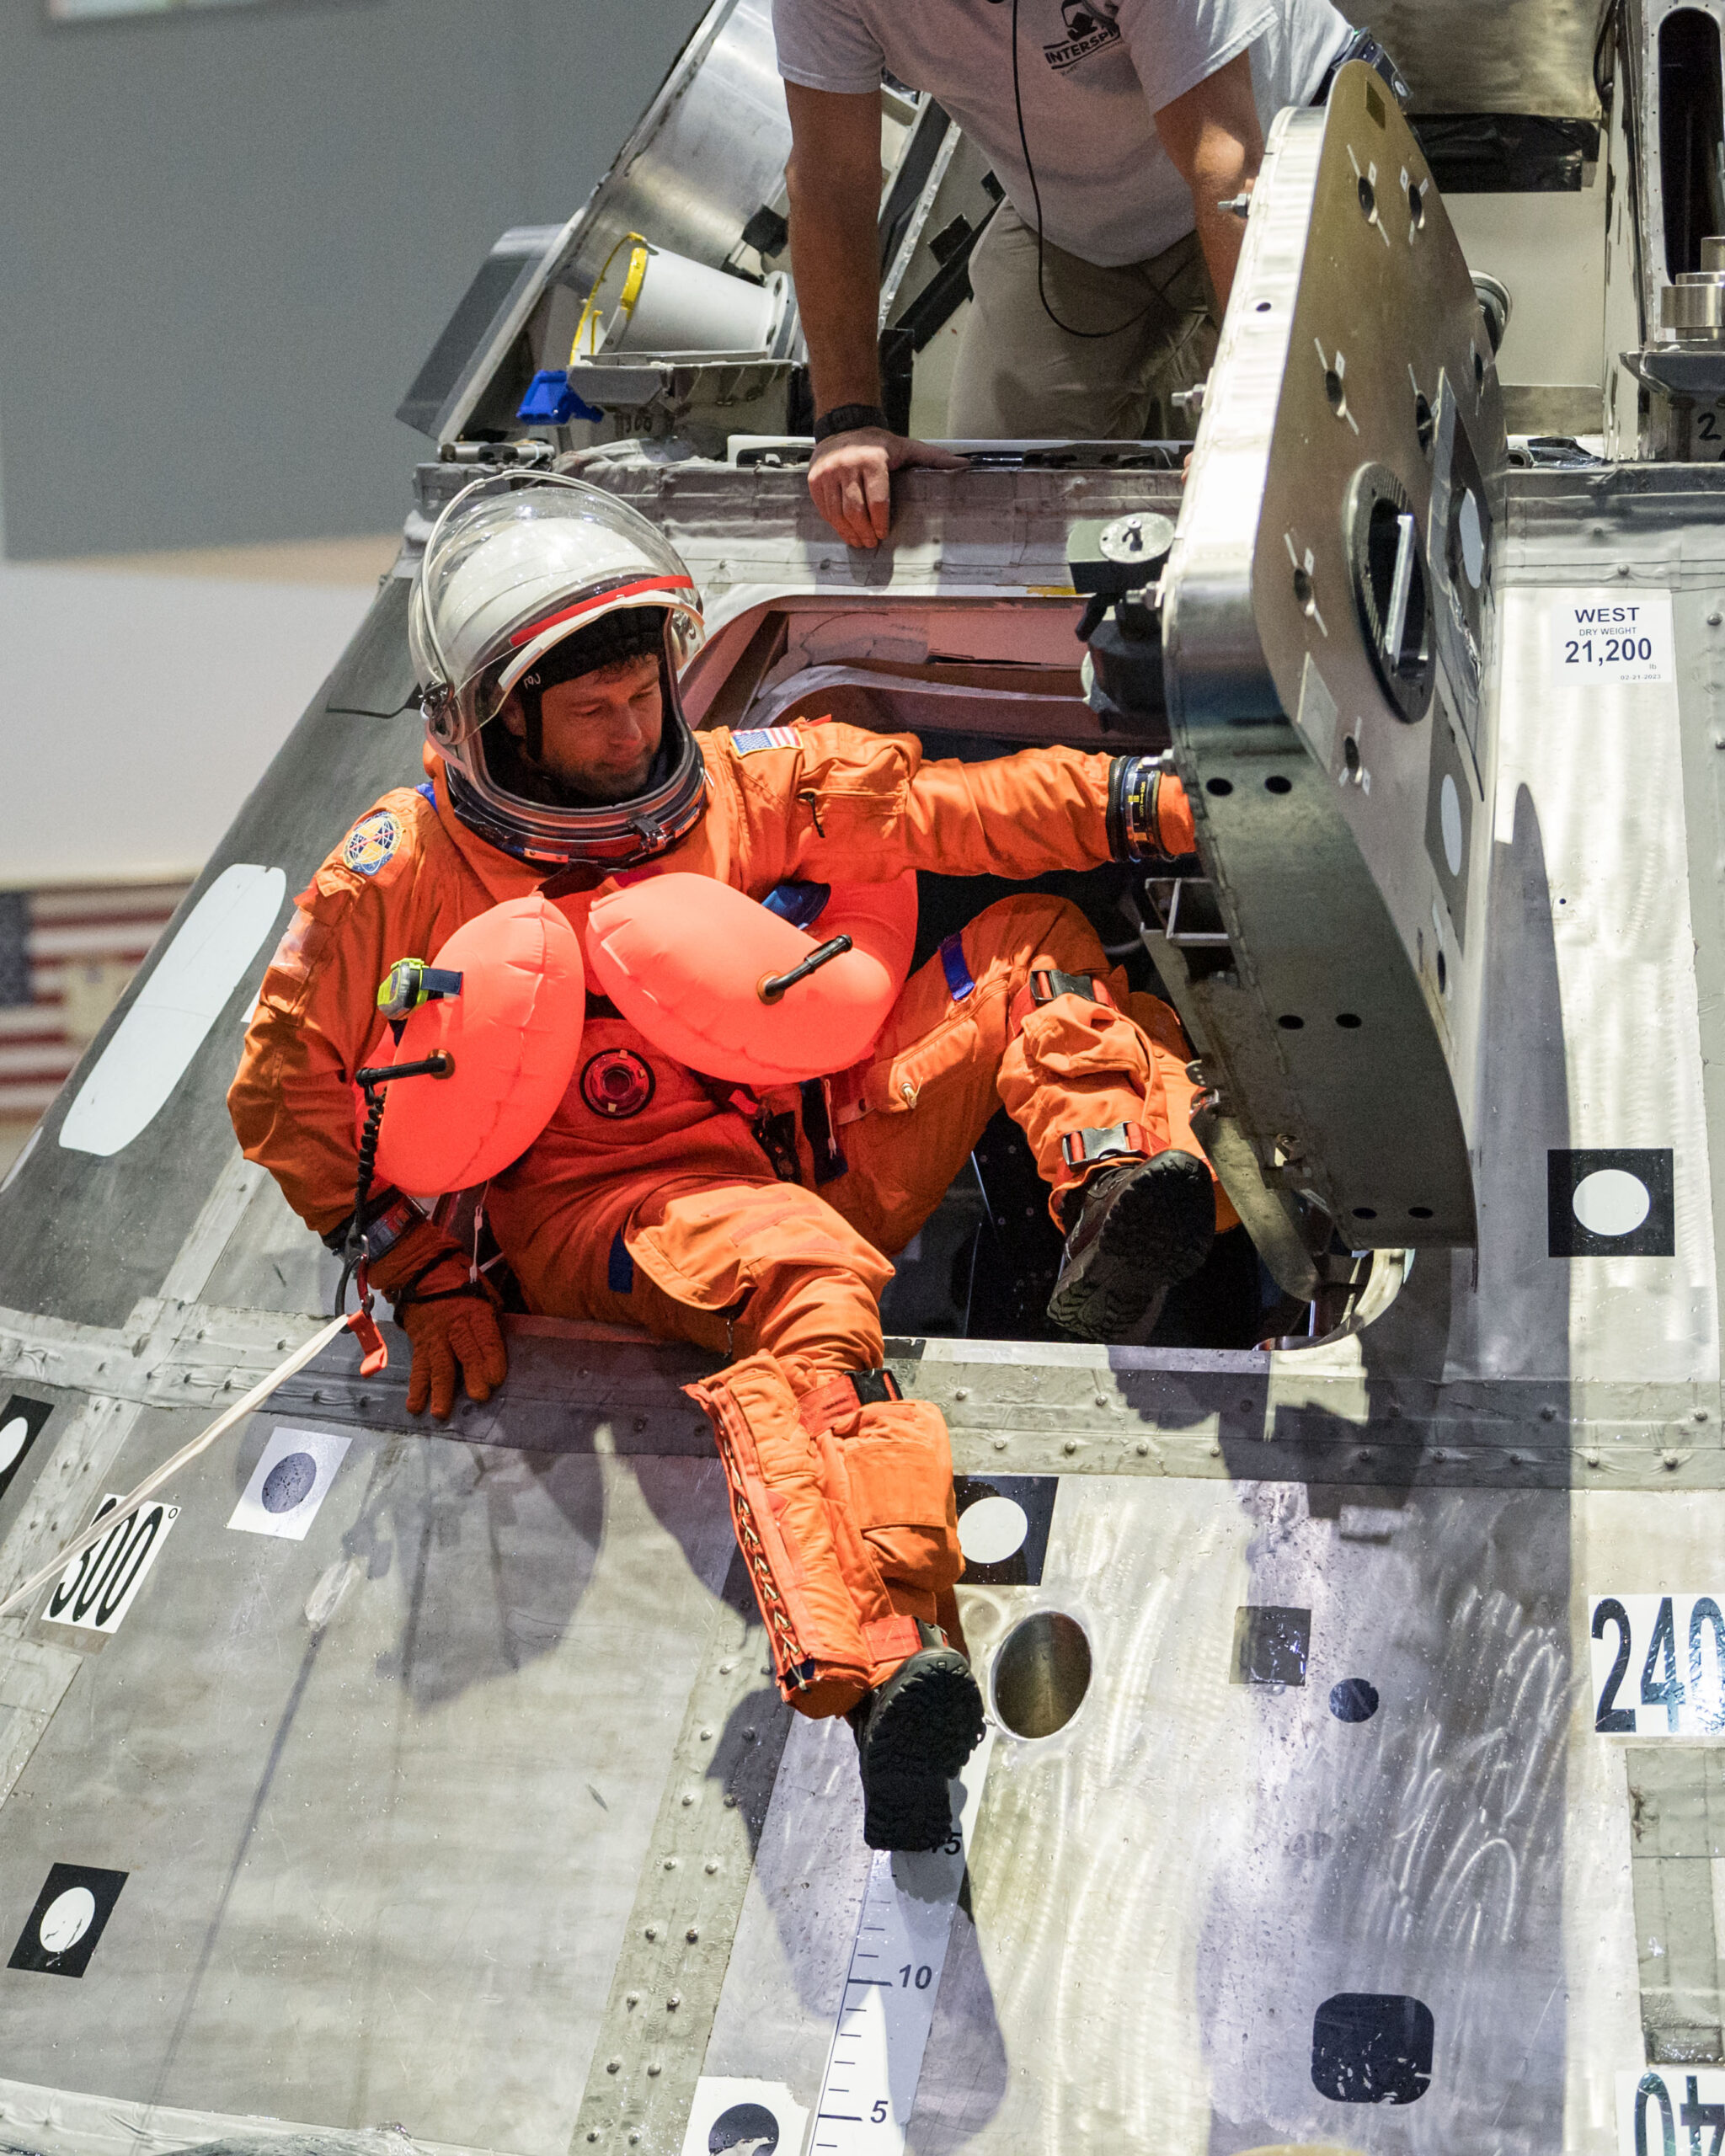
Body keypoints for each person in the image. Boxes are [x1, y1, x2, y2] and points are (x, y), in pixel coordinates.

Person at [228, 471, 1231, 1850]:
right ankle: (879, 1674)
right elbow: (289, 1094)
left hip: (810, 1142)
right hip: (611, 1211)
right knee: (811, 1283)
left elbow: (960, 810)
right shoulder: (395, 882)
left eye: (643, 694)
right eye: (592, 715)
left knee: (1031, 949)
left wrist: (1151, 806)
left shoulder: (740, 786)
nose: (633, 727)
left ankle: (1117, 1183)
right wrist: (421, 1272)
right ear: (494, 722)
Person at [774, 0, 1395, 548]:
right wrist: (847, 422)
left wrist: (1263, 416)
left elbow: (1227, 166)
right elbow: (832, 183)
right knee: (1003, 501)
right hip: (1075, 224)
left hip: (1274, 158)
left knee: (1326, 450)